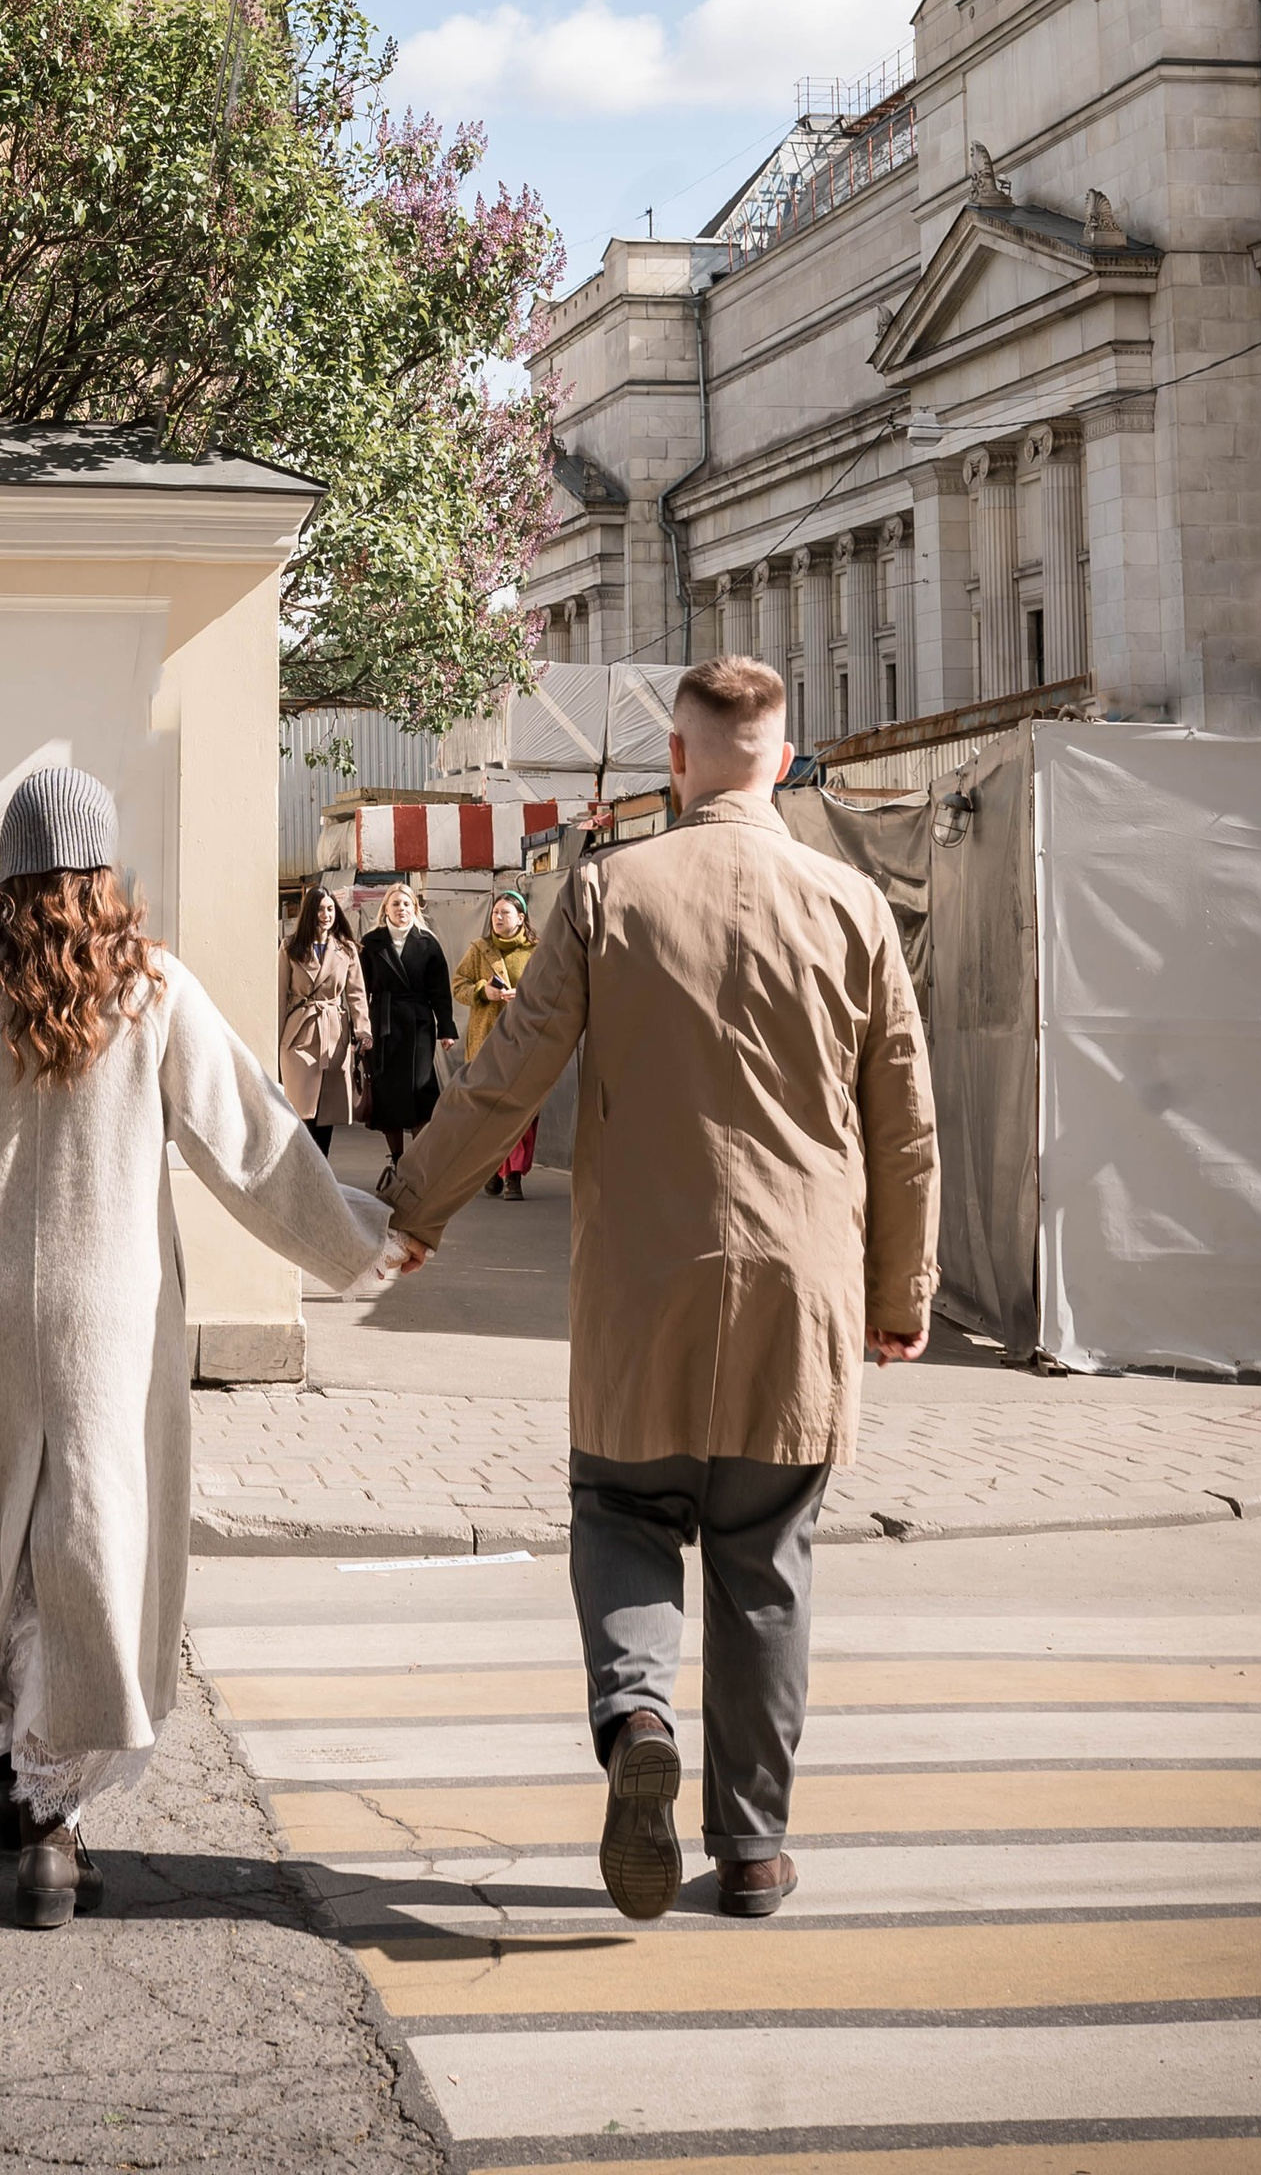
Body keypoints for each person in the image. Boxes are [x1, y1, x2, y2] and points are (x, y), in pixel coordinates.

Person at [386, 658, 936, 1924]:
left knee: (624, 1512)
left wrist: (409, 1209)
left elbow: (508, 1072)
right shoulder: (852, 905)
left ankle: (636, 1711)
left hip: (643, 1284)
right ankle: (751, 1851)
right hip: (799, 1293)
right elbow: (903, 1119)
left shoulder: (605, 892)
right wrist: (899, 1288)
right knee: (766, 1560)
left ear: (674, 762)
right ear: (785, 762)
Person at [0, 766, 389, 1929]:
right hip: (105, 1314)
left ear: (8, 874)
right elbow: (251, 1142)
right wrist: (362, 1242)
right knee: (88, 1547)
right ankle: (52, 1824)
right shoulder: (151, 989)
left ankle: (1, 1758)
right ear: (102, 871)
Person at [358, 880, 457, 1192]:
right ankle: (398, 1159)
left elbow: (440, 991)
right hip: (383, 1026)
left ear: (415, 909)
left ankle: (420, 1159)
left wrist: (446, 1029)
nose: (401, 909)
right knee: (387, 1091)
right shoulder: (371, 943)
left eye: (407, 904)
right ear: (385, 908)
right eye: (396, 904)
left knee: (420, 1089)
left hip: (418, 1026)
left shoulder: (428, 944)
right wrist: (358, 1029)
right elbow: (358, 989)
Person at [451, 886, 538, 1197]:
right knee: (488, 1110)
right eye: (495, 913)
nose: (499, 918)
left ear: (521, 918)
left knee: (522, 1111)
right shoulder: (479, 949)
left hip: (525, 1040)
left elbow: (553, 990)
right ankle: (492, 1167)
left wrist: (524, 996)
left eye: (505, 913)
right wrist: (481, 991)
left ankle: (514, 1173)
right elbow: (457, 985)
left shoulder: (536, 952)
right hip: (487, 1040)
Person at [278, 883, 369, 1152]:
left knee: (327, 1111)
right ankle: (302, 1167)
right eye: (320, 909)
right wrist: (276, 1042)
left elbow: (356, 995)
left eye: (330, 909)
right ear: (309, 913)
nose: (326, 915)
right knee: (300, 1109)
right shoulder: (290, 948)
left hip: (334, 1033)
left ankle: (321, 1168)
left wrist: (363, 1031)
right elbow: (280, 994)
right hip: (299, 1035)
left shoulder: (346, 950)